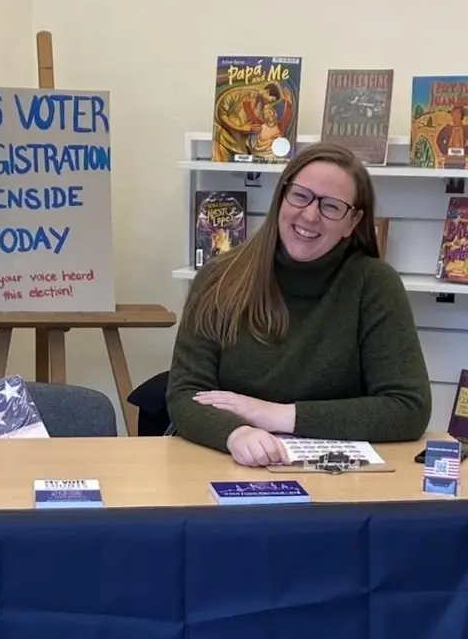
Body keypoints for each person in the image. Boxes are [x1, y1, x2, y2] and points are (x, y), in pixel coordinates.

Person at [166, 141, 432, 467]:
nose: (310, 214)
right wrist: (237, 434)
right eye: (300, 196)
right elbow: (185, 394)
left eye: (331, 206)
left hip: (341, 480)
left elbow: (408, 408)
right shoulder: (218, 277)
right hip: (228, 463)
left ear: (353, 222)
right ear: (281, 197)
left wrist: (275, 415)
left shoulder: (374, 284)